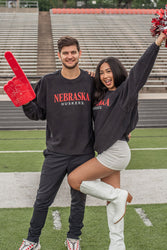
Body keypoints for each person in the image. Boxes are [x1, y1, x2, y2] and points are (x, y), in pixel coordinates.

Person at [68, 32, 166, 250]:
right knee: (112, 204)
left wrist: (157, 43)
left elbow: (140, 71)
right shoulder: (100, 96)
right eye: (101, 72)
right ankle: (117, 246)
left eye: (109, 70)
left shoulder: (125, 92)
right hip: (106, 153)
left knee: (74, 180)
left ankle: (120, 195)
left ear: (117, 71)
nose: (105, 75)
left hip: (116, 153)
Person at [18, 36, 95, 250]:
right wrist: (24, 100)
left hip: (83, 153)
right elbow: (37, 113)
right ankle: (32, 240)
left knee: (78, 201)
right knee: (42, 200)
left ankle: (73, 238)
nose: (69, 56)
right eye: (65, 53)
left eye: (73, 52)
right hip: (55, 153)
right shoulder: (48, 82)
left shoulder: (90, 81)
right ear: (59, 55)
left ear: (79, 53)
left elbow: (105, 110)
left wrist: (123, 131)